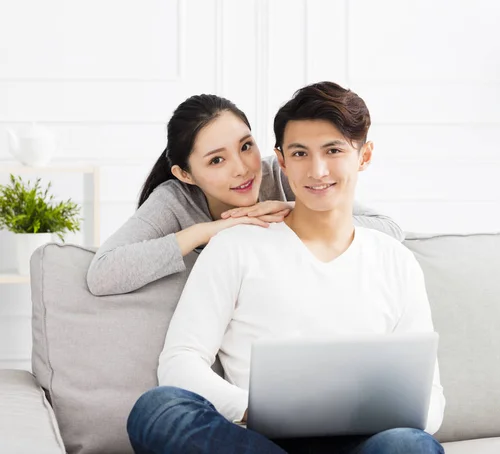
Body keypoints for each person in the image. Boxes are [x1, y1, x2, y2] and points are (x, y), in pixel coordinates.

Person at [126, 82, 445, 454]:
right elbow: (180, 362)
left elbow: (431, 401)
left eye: (334, 150)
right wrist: (257, 408)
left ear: (364, 156)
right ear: (281, 161)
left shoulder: (395, 261)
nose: (318, 170)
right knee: (158, 410)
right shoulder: (234, 246)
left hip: (364, 443)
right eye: (300, 153)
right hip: (256, 438)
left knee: (410, 445)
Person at [86, 94, 403, 296]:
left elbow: (390, 229)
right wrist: (206, 232)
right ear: (186, 174)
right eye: (216, 160)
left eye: (246, 146)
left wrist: (296, 211)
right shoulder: (175, 200)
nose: (243, 169)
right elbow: (103, 274)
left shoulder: (283, 174)